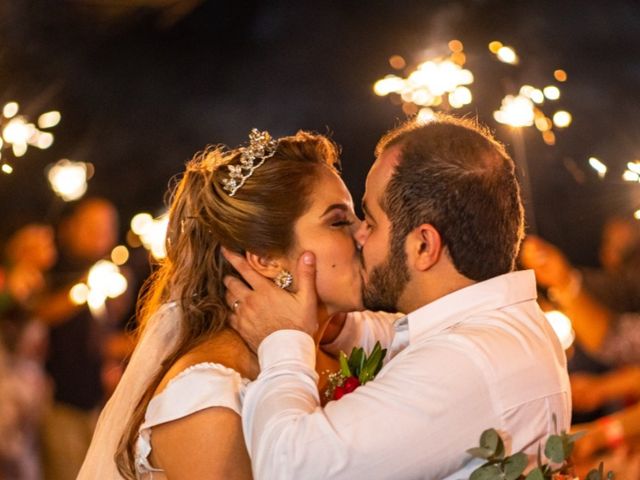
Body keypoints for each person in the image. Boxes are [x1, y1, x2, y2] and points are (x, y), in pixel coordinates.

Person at [224, 115, 571, 479]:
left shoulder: (463, 361)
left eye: (371, 222)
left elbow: (288, 468)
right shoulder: (503, 328)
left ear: (423, 245)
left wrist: (283, 339)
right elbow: (398, 336)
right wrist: (331, 323)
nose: (359, 236)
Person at [79, 129, 365, 479]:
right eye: (338, 221)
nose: (363, 232)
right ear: (265, 259)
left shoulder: (342, 349)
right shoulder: (209, 396)